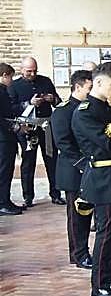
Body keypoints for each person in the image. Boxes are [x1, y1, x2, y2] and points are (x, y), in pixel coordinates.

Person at [72, 62, 111, 296]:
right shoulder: (85, 112)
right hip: (103, 179)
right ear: (98, 83)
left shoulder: (108, 108)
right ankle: (100, 285)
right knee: (106, 233)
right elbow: (108, 144)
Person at [51, 70, 93, 265]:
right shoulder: (64, 110)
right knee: (77, 216)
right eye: (89, 88)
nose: (91, 92)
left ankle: (84, 252)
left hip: (91, 168)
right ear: (78, 87)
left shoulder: (89, 108)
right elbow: (63, 142)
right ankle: (79, 254)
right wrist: (83, 164)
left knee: (89, 213)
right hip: (74, 170)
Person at [12, 56, 62, 207]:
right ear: (22, 70)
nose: (32, 74)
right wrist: (28, 104)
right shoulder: (14, 86)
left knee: (52, 161)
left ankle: (56, 194)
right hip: (27, 128)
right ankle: (28, 197)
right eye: (28, 71)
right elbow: (11, 107)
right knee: (28, 163)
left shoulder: (45, 81)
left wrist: (51, 98)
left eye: (34, 71)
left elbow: (58, 102)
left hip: (46, 126)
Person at [0, 63, 21, 215]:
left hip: (5, 137)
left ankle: (6, 200)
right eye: (11, 77)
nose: (12, 81)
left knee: (7, 171)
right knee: (4, 171)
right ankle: (3, 203)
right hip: (3, 139)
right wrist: (14, 127)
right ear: (4, 76)